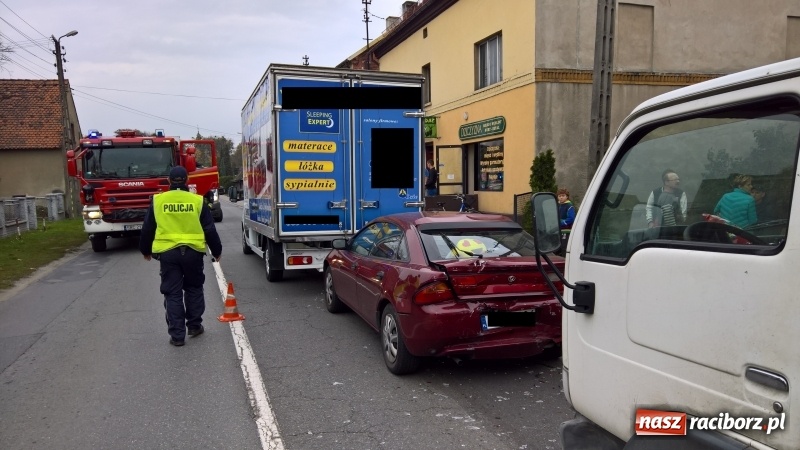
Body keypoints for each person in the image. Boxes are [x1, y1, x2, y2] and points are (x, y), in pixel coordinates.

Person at [139, 166, 222, 347]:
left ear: (169, 181)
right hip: (193, 253)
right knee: (193, 288)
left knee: (172, 292)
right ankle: (194, 326)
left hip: (168, 254)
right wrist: (217, 251)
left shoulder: (158, 201)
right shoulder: (197, 201)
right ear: (186, 180)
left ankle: (177, 336)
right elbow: (209, 229)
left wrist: (145, 250)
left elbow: (148, 228)